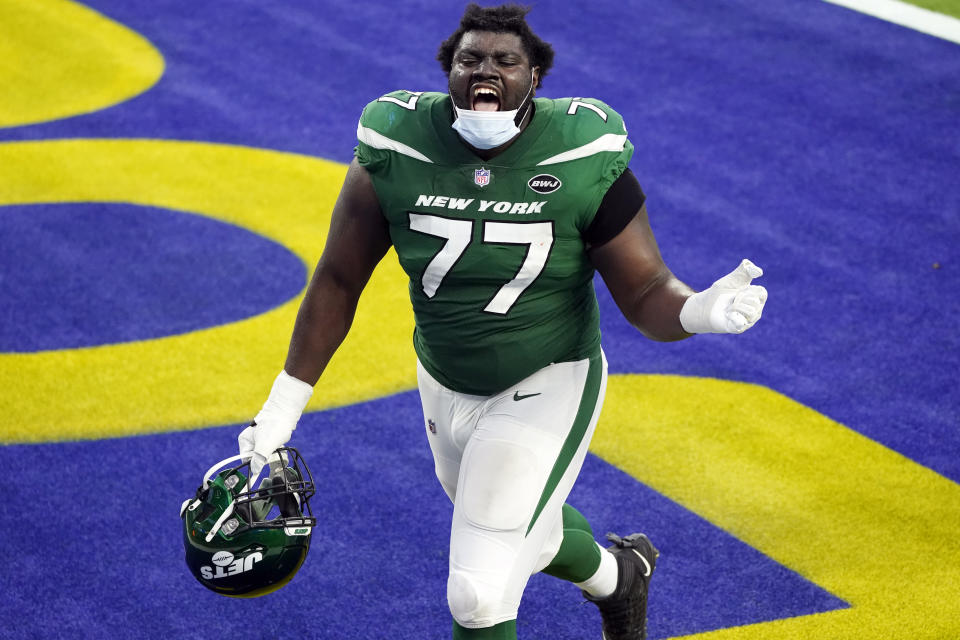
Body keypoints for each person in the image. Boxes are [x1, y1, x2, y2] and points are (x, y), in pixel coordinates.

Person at [238, 4, 767, 639]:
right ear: (448, 73)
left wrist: (695, 311)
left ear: (535, 76)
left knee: (478, 591)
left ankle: (604, 580)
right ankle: (618, 577)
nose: (486, 71)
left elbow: (646, 287)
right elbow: (339, 279)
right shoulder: (396, 142)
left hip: (548, 375)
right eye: (470, 60)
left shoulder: (582, 149)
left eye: (505, 61)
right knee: (523, 528)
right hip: (442, 377)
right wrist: (280, 409)